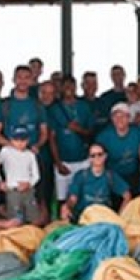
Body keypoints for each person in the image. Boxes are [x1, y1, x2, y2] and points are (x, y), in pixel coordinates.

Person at [48, 75, 93, 204]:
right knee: (62, 199)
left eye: (71, 85)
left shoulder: (84, 106)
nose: (68, 88)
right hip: (63, 162)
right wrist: (58, 163)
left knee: (83, 196)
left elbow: (91, 133)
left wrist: (80, 130)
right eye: (65, 85)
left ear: (76, 87)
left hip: (83, 160)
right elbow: (52, 138)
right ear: (60, 88)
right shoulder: (55, 109)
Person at [60, 143, 131, 222]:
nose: (96, 157)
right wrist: (67, 207)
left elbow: (127, 195)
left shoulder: (110, 176)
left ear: (105, 156)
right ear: (89, 158)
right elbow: (73, 198)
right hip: (84, 218)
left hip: (104, 219)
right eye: (93, 155)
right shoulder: (81, 176)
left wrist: (119, 216)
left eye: (100, 154)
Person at [95, 102, 140, 196]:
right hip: (113, 176)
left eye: (123, 116)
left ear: (129, 118)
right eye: (116, 116)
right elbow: (98, 157)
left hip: (133, 174)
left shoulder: (137, 131)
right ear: (112, 119)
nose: (119, 120)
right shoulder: (104, 136)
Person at [0, 126, 42, 225]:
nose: (20, 143)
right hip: (12, 189)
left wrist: (29, 184)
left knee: (33, 218)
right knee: (15, 219)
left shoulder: (30, 155)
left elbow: (36, 175)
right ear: (11, 140)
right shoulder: (6, 151)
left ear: (28, 140)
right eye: (16, 140)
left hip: (28, 190)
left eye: (23, 140)